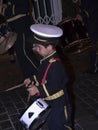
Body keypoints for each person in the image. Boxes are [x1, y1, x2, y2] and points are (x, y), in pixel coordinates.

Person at [24, 24, 72, 130]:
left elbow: (54, 85)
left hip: (58, 103)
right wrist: (32, 79)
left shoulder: (55, 65)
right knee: (52, 124)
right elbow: (42, 74)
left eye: (39, 47)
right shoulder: (46, 59)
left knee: (59, 125)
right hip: (49, 102)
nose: (36, 49)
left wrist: (37, 89)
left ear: (49, 47)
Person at [4, 0, 39, 78]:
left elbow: (23, 8)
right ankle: (28, 78)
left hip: (21, 23)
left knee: (25, 52)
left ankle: (42, 74)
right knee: (20, 54)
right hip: (13, 25)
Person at [76, 0, 98, 74]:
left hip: (94, 22)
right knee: (92, 45)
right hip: (90, 22)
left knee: (94, 45)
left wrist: (82, 15)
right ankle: (93, 67)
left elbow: (93, 7)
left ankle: (94, 67)